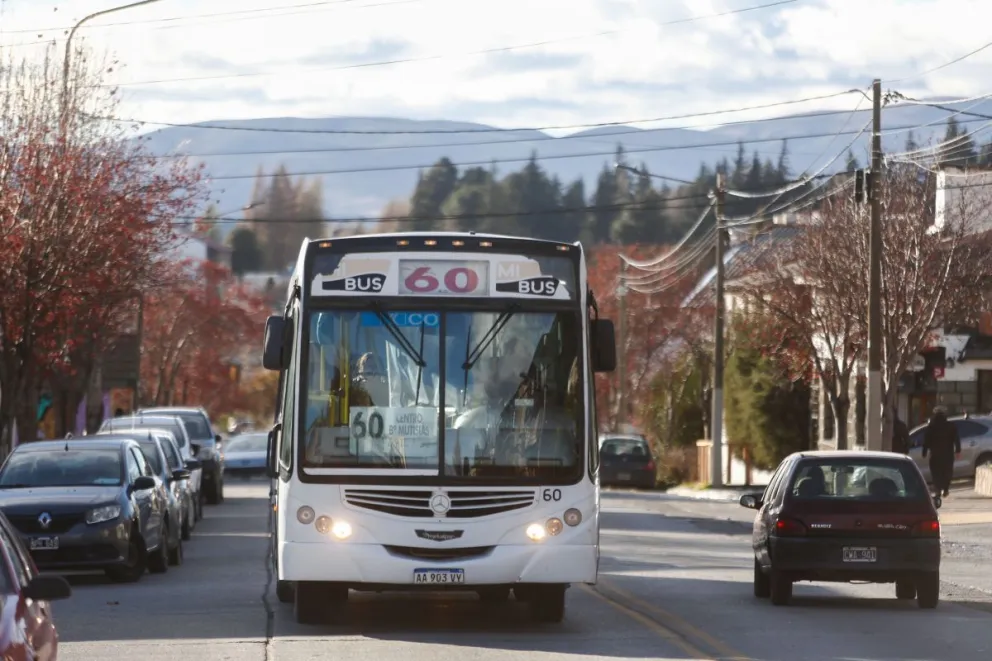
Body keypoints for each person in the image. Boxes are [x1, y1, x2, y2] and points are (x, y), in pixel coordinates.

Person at [922, 407, 961, 497]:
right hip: (948, 454)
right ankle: (946, 489)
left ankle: (938, 489)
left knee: (936, 472)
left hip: (935, 454)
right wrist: (958, 450)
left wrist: (924, 452)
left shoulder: (931, 427)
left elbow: (926, 440)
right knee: (947, 471)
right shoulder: (950, 426)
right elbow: (956, 439)